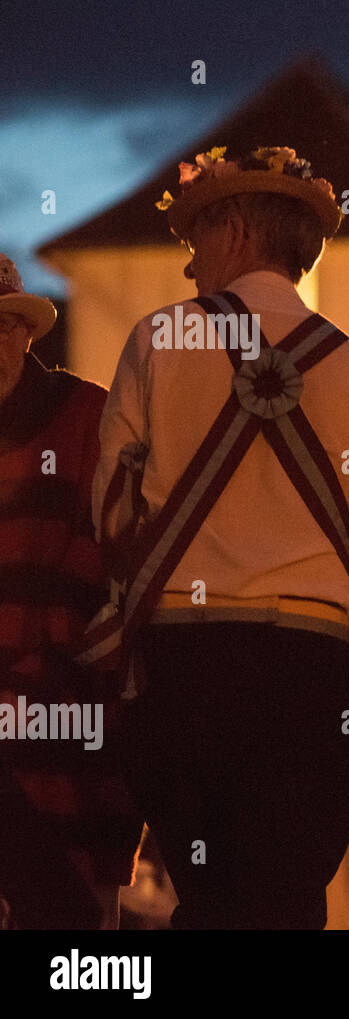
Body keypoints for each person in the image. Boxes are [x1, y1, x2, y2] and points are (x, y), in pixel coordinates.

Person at [91, 146, 349, 929]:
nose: (188, 269)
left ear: (237, 232)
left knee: (209, 900)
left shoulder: (159, 339)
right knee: (284, 905)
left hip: (186, 673)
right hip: (314, 676)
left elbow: (111, 519)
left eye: (194, 243)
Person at [0, 255, 140, 928]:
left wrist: (45, 657)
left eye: (4, 325)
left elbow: (115, 550)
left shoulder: (87, 414)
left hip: (69, 712)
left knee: (78, 932)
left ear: (27, 334)